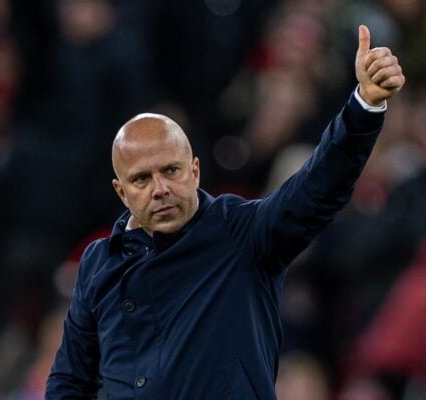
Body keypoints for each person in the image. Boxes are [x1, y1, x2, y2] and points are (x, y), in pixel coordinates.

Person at [46, 25, 405, 399]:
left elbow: (318, 187)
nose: (160, 189)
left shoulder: (243, 233)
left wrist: (364, 106)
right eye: (141, 179)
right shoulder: (98, 262)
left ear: (195, 171)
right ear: (121, 192)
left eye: (171, 171)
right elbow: (70, 379)